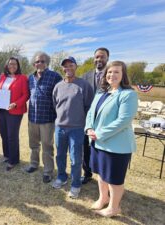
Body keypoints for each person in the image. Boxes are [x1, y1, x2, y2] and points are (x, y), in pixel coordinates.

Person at [85, 61, 138, 217]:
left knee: (114, 178)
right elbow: (90, 113)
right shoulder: (101, 92)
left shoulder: (128, 94)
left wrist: (99, 133)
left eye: (116, 72)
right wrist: (88, 128)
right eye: (109, 72)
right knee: (101, 173)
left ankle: (114, 208)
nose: (112, 75)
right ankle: (103, 198)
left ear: (123, 75)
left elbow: (124, 120)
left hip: (116, 146)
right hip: (97, 142)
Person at [52, 56, 93, 198]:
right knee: (60, 155)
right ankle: (62, 177)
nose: (68, 68)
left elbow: (89, 107)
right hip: (60, 128)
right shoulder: (58, 86)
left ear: (76, 67)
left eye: (71, 65)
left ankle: (76, 184)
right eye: (65, 66)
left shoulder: (84, 85)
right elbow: (55, 105)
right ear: (62, 68)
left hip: (77, 129)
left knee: (76, 159)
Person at [25, 51, 62, 183]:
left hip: (47, 119)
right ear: (34, 64)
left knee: (47, 146)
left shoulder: (55, 77)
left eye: (42, 61)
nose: (39, 63)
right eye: (37, 61)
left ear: (47, 62)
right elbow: (26, 95)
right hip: (32, 118)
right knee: (33, 144)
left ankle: (48, 171)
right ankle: (34, 164)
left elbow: (60, 97)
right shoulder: (30, 78)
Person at [0, 57, 29, 171]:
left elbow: (26, 95)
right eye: (10, 64)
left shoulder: (22, 78)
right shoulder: (3, 77)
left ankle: (13, 160)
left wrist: (15, 104)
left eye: (14, 64)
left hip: (15, 110)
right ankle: (7, 155)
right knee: (3, 133)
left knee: (12, 135)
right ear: (7, 65)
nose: (12, 66)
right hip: (2, 110)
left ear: (18, 66)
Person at [81, 47, 110, 184]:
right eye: (97, 57)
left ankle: (103, 176)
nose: (99, 59)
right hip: (87, 118)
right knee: (85, 147)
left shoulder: (112, 75)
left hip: (105, 119)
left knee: (102, 148)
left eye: (102, 57)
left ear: (107, 58)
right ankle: (87, 173)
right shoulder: (86, 76)